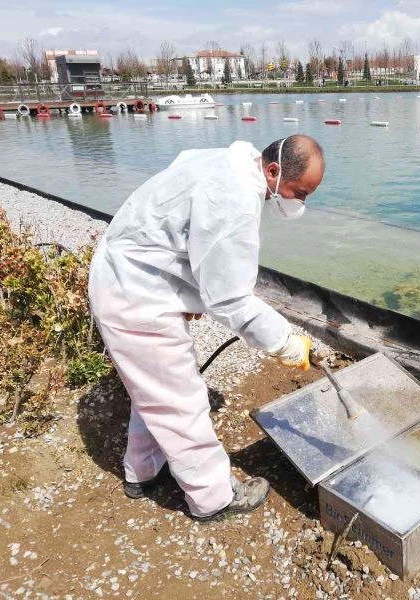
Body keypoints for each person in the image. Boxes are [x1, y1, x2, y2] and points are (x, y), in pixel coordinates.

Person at [88, 135, 325, 522]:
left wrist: (189, 295)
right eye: (299, 192)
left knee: (153, 389)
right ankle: (212, 497)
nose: (300, 202)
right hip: (134, 292)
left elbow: (186, 237)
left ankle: (143, 470)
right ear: (273, 170)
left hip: (132, 275)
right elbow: (231, 299)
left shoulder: (227, 164)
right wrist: (285, 343)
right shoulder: (233, 199)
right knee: (182, 399)